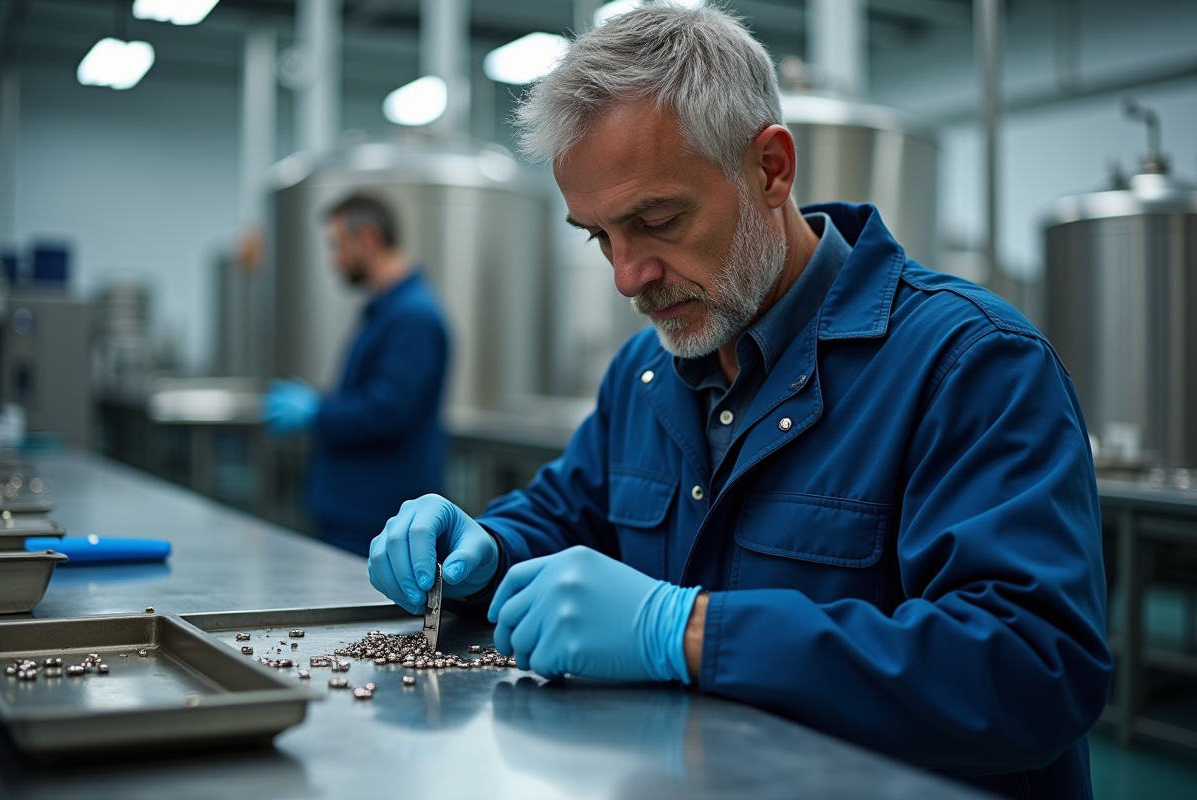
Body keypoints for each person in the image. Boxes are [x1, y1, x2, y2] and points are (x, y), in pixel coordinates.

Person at [366, 6, 1111, 798]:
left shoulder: (970, 363)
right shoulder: (648, 373)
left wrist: (685, 633)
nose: (627, 276)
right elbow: (568, 516)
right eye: (598, 237)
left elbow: (1032, 671)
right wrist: (481, 548)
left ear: (770, 169)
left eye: (657, 221)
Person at [265, 194, 450, 557]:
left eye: (337, 246)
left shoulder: (413, 317)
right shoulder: (387, 310)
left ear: (366, 238)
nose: (333, 260)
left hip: (374, 520)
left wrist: (316, 411)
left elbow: (386, 410)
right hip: (354, 514)